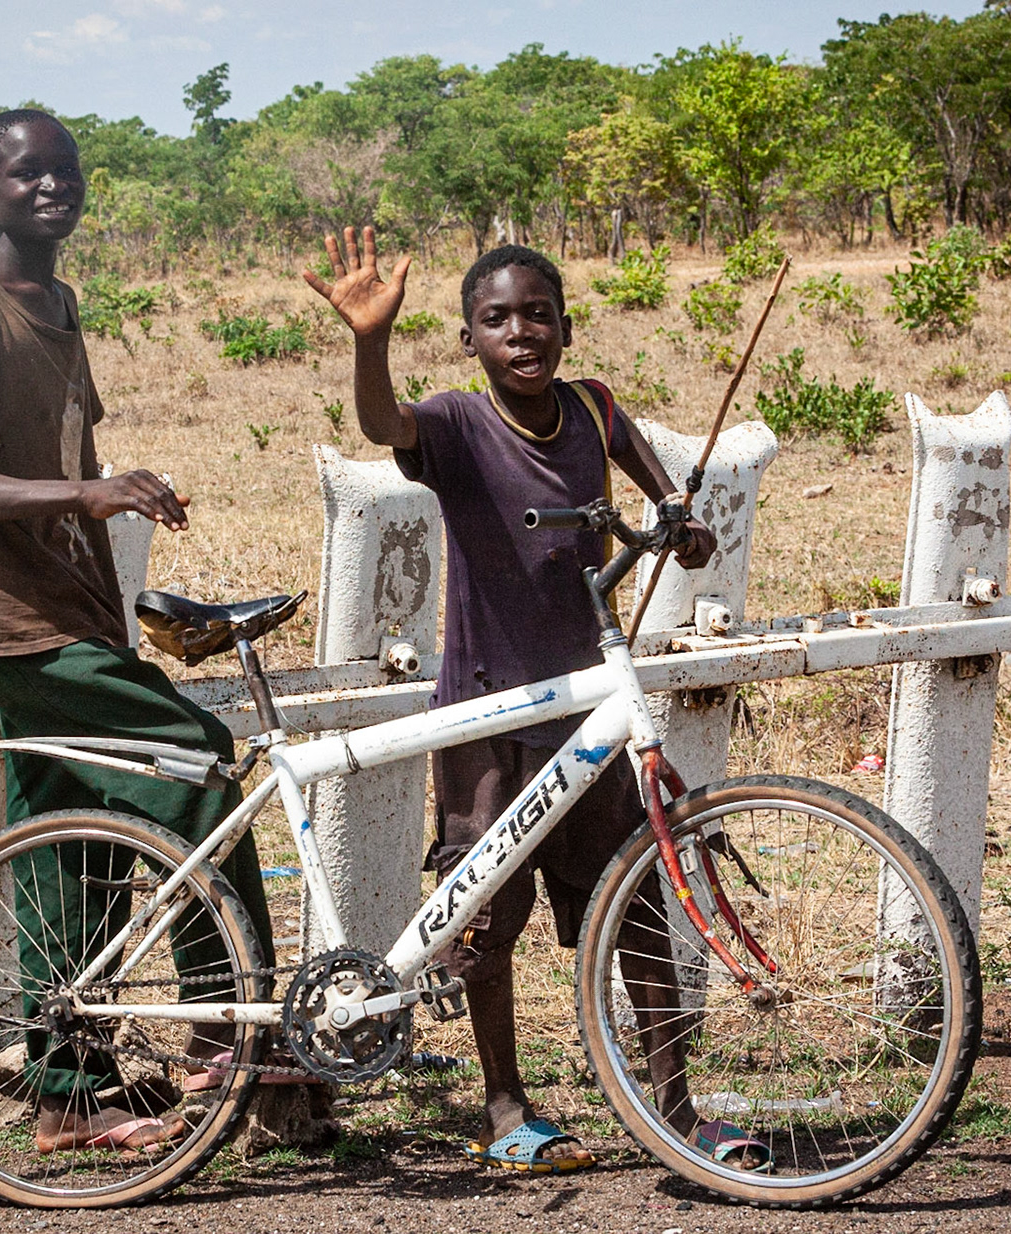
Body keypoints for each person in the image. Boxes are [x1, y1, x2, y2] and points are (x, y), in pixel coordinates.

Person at [304, 227, 753, 1174]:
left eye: (538, 313)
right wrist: (368, 342)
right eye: (496, 318)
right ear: (469, 338)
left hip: (588, 706)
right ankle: (506, 1108)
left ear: (567, 327)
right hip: (489, 708)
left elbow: (667, 503)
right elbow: (386, 424)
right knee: (482, 921)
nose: (521, 331)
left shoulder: (595, 410)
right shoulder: (461, 424)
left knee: (632, 901)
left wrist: (682, 525)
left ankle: (673, 1107)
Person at [0, 108, 277, 1153]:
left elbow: (66, 455)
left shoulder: (56, 299)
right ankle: (223, 1025)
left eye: (64, 171)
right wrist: (89, 490)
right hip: (6, 615)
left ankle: (67, 1094)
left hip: (67, 606)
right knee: (198, 761)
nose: (50, 188)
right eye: (25, 174)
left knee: (64, 846)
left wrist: (109, 493)